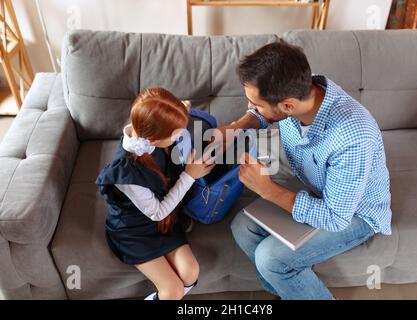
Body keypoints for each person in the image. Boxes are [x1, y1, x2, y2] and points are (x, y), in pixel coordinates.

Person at [222, 41, 392, 300]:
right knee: (242, 228)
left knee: (270, 259)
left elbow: (336, 218)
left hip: (355, 212)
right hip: (315, 191)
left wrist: (266, 189)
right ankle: (291, 290)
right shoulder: (300, 88)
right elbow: (266, 113)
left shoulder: (353, 137)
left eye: (254, 103)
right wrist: (236, 126)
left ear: (288, 106)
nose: (252, 107)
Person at [96, 88, 215, 300]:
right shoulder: (127, 173)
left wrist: (178, 112)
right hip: (135, 231)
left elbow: (156, 107)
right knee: (173, 291)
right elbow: (158, 212)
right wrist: (189, 175)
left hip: (164, 222)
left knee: (190, 272)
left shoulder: (145, 126)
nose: (182, 134)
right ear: (155, 139)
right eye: (177, 133)